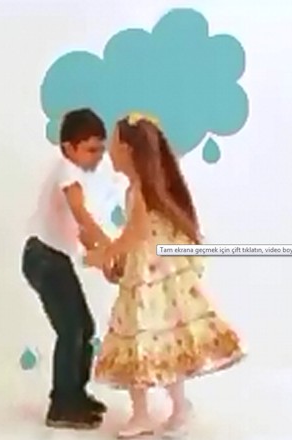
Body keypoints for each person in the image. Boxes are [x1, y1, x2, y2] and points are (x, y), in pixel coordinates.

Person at [85, 113, 245, 438]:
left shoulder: (141, 191)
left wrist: (106, 253)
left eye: (114, 143)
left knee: (153, 337)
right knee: (143, 339)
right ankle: (145, 412)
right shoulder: (137, 190)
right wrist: (117, 260)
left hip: (153, 280)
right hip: (143, 274)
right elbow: (135, 237)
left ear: (128, 150)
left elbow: (136, 233)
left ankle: (172, 408)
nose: (109, 151)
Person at [22, 108, 113, 430]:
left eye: (101, 149)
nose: (98, 157)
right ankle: (62, 404)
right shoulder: (67, 171)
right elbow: (80, 215)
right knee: (72, 330)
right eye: (91, 149)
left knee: (84, 328)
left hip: (53, 258)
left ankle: (76, 393)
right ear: (68, 147)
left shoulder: (73, 173)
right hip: (44, 258)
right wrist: (108, 245)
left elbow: (78, 231)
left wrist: (102, 256)